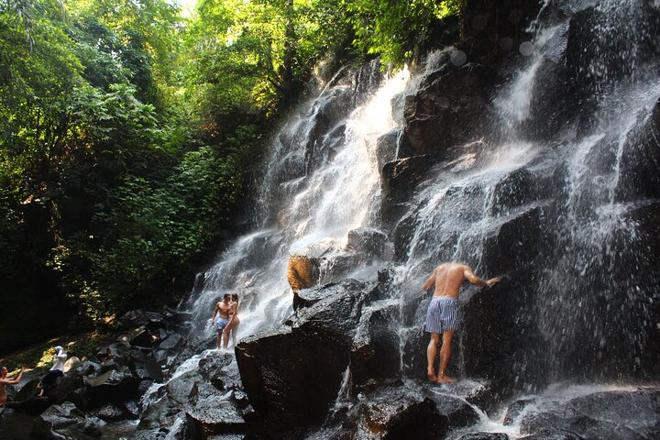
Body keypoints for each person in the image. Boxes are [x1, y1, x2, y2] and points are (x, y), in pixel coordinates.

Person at [422, 262, 501, 384]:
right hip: (449, 302)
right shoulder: (463, 268)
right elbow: (474, 280)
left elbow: (426, 286)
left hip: (434, 302)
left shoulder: (440, 268)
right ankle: (441, 375)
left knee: (433, 339)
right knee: (446, 340)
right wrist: (486, 283)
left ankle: (430, 368)